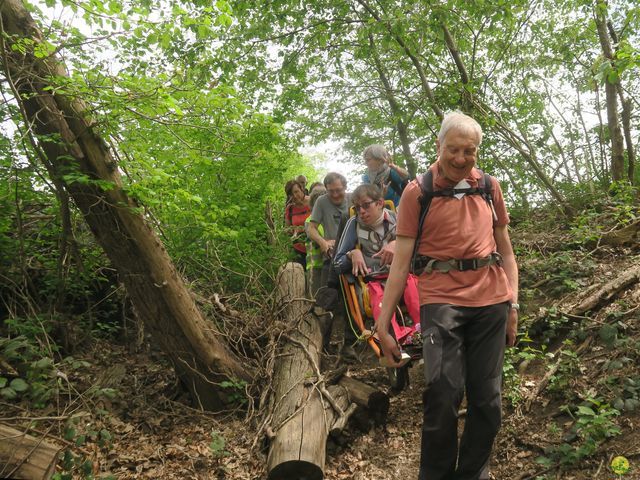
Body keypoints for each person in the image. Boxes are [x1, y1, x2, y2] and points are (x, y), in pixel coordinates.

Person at [376, 111, 519, 480]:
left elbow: (506, 249)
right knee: (442, 393)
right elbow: (402, 260)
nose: (460, 158)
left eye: (468, 151)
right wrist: (383, 324)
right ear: (439, 147)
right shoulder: (417, 192)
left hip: (492, 302)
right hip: (441, 300)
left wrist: (513, 304)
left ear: (477, 152)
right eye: (453, 149)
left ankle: (473, 472)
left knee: (488, 401)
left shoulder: (489, 187)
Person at [333, 184, 420, 344]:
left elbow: (421, 249)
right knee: (379, 298)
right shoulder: (353, 224)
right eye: (357, 208)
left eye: (366, 205)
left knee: (414, 289)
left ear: (380, 203)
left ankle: (421, 333)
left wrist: (397, 244)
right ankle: (395, 338)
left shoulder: (398, 218)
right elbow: (337, 264)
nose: (362, 212)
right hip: (374, 281)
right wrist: (352, 254)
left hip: (402, 276)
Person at [307, 172, 356, 359]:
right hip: (331, 255)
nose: (335, 195)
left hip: (352, 255)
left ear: (345, 186)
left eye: (339, 190)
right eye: (331, 191)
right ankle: (322, 344)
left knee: (352, 300)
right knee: (326, 298)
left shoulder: (353, 199)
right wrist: (323, 242)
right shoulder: (321, 202)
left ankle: (350, 344)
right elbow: (311, 227)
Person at [305, 184, 327, 298]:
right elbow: (316, 235)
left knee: (327, 295)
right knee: (316, 296)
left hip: (327, 264)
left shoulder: (327, 218)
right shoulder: (310, 220)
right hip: (315, 264)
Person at [284, 180, 311, 268]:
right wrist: (293, 230)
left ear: (302, 189)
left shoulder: (313, 202)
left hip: (316, 247)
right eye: (291, 194)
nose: (295, 196)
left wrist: (304, 228)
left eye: (296, 192)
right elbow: (287, 229)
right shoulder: (290, 208)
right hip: (298, 250)